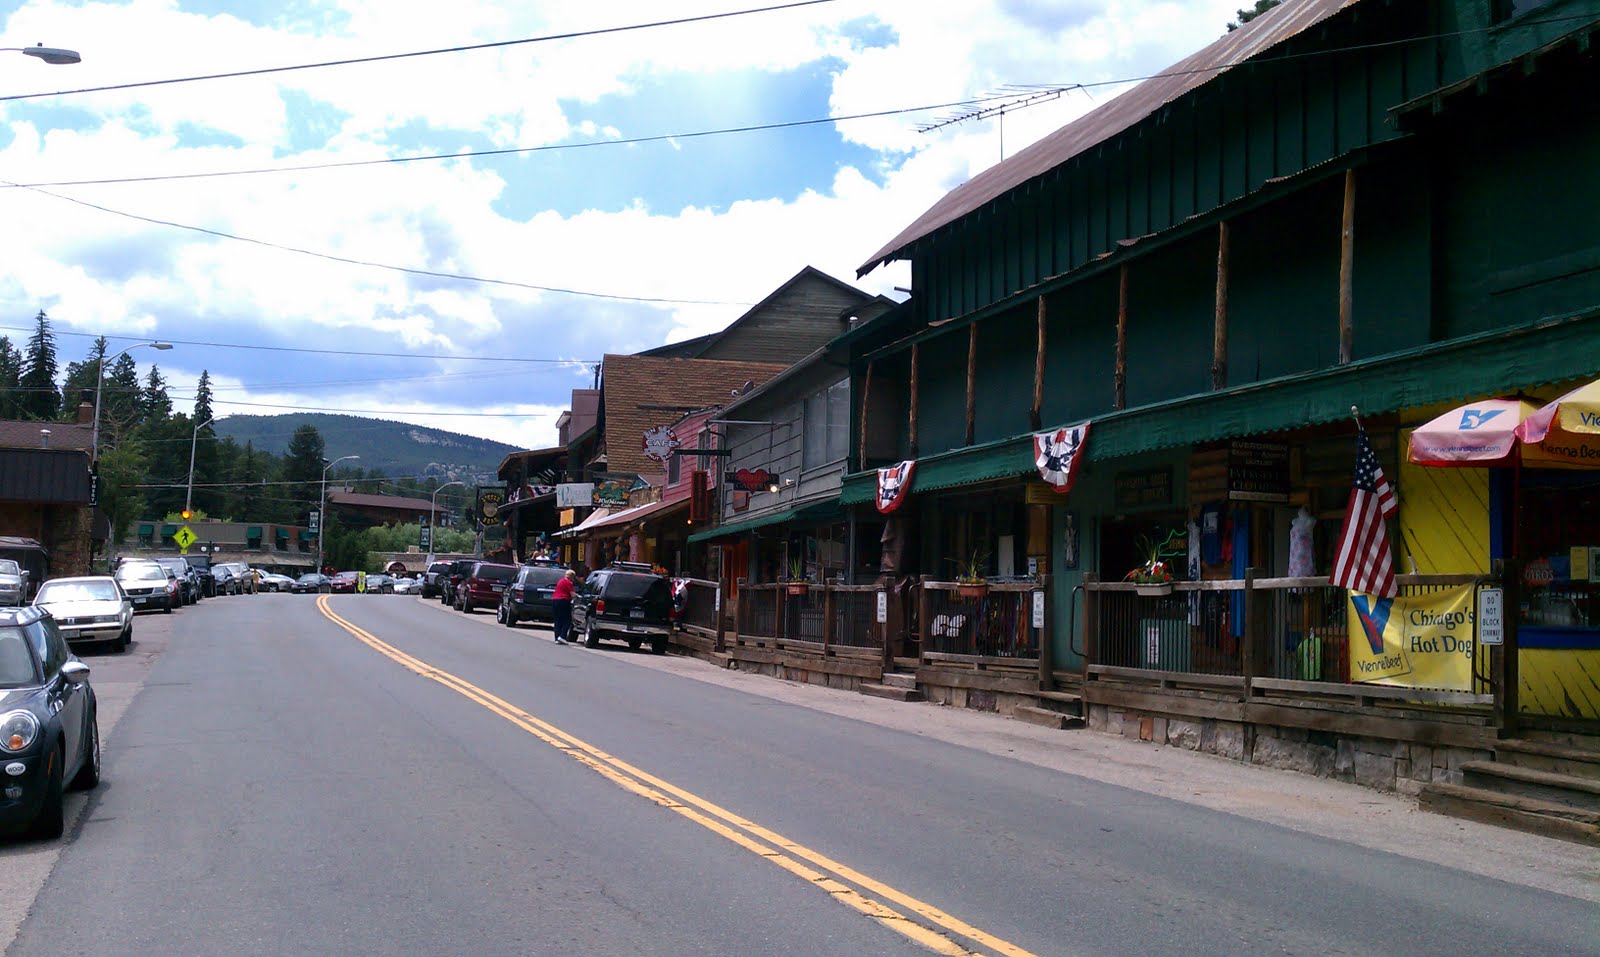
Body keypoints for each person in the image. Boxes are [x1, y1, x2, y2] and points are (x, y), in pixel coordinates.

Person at [551, 569, 577, 645]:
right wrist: (577, 596)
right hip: (563, 601)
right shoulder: (568, 582)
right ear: (571, 576)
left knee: (558, 620)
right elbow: (572, 594)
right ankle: (562, 636)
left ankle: (557, 637)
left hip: (555, 600)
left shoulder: (560, 581)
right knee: (567, 620)